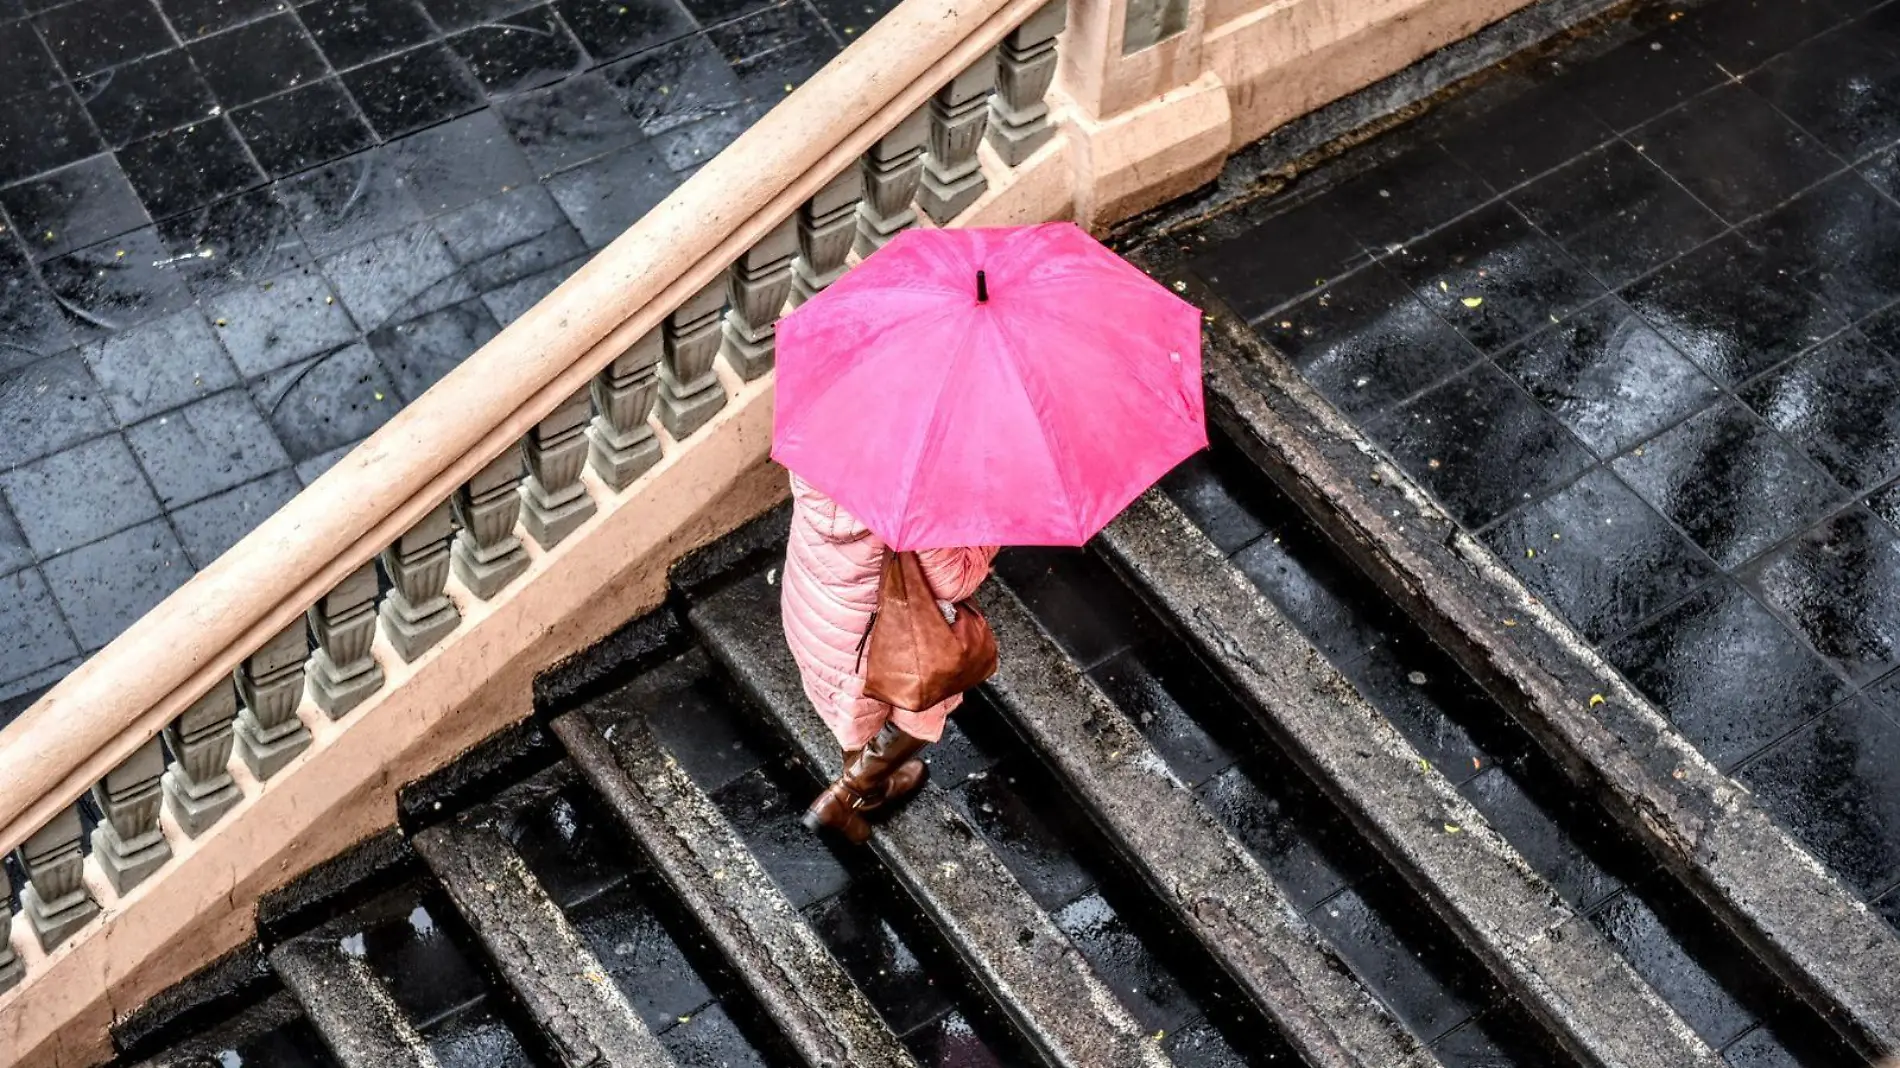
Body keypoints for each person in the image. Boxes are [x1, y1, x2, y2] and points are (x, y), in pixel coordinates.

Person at [780, 473, 998, 842]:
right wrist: (989, 537)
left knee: (855, 715)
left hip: (818, 603)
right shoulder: (912, 495)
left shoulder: (823, 445)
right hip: (873, 635)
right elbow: (952, 580)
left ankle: (872, 793)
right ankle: (846, 796)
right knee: (910, 708)